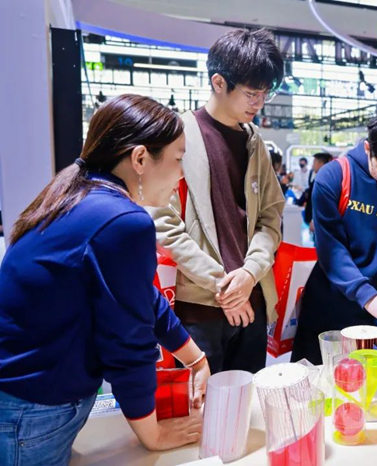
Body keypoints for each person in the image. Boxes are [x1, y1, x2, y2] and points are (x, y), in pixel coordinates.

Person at [0, 94, 210, 464]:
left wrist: (195, 358)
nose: (181, 175)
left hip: (25, 398)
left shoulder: (76, 195)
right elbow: (128, 341)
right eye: (179, 159)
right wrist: (154, 435)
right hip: (32, 409)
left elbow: (141, 296)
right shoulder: (123, 221)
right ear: (140, 158)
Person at [147, 29, 285, 375]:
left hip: (252, 298)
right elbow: (164, 224)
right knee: (202, 403)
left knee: (249, 400)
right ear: (219, 82)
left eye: (265, 93)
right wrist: (224, 286)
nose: (260, 103)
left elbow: (271, 216)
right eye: (252, 93)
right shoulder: (177, 135)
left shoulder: (254, 142)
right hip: (201, 306)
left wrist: (249, 274)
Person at [291, 112, 377, 364]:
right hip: (332, 305)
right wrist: (368, 296)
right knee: (323, 381)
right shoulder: (334, 177)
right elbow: (332, 252)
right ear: (368, 149)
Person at [301, 152, 334, 232]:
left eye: (314, 162)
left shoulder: (323, 182)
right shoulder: (321, 179)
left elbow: (320, 202)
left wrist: (313, 220)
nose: (313, 166)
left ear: (321, 164)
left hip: (319, 222)